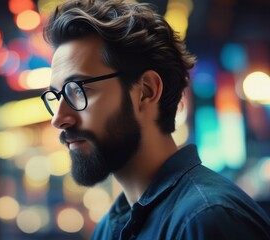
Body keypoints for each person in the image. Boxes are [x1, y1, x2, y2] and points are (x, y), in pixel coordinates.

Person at [40, 0, 270, 239]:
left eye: (78, 90)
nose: (59, 119)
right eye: (57, 96)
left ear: (146, 91)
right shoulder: (107, 229)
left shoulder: (207, 219)